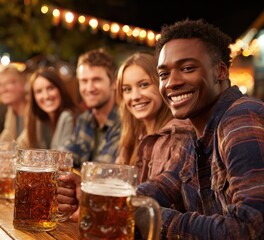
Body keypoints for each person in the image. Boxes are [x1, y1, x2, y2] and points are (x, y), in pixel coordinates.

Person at [58, 19, 264, 239]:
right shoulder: (197, 131)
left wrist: (151, 216)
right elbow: (165, 185)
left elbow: (251, 229)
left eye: (187, 68)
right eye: (164, 74)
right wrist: (95, 195)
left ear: (220, 71)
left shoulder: (240, 119)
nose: (172, 83)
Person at [115, 52, 194, 182]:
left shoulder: (179, 133)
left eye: (144, 85)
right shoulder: (132, 135)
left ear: (161, 84)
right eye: (127, 89)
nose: (135, 96)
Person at [64, 48, 121, 169]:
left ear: (114, 83)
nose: (89, 88)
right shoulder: (84, 119)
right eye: (84, 81)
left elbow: (100, 173)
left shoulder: (124, 121)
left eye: (96, 80)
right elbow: (64, 160)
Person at [20, 67, 80, 149]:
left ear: (60, 89)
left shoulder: (68, 116)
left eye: (50, 88)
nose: (46, 96)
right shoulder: (39, 120)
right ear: (34, 97)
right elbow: (18, 146)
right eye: (39, 91)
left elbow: (63, 157)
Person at [0, 64, 28, 144]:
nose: (3, 89)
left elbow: (24, 145)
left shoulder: (35, 110)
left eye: (9, 83)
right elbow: (5, 139)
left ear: (23, 83)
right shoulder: (11, 110)